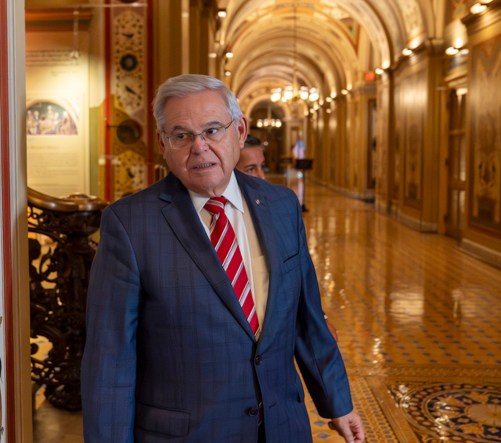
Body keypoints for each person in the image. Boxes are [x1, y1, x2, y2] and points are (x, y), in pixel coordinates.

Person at [81, 74, 365, 443]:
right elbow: (110, 359)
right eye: (181, 135)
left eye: (213, 130)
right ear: (162, 144)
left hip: (282, 428)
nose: (199, 147)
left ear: (240, 130)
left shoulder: (281, 206)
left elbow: (305, 319)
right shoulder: (131, 223)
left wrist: (337, 403)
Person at [236, 135, 339, 341]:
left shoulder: (279, 208)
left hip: (278, 336)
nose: (261, 176)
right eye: (250, 169)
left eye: (262, 167)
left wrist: (319, 317)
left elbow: (296, 274)